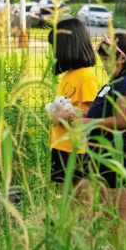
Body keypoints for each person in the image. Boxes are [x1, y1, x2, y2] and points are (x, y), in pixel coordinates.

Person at [54, 33, 126, 224]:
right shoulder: (115, 82)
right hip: (104, 154)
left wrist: (89, 123)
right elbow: (103, 112)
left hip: (116, 153)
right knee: (110, 213)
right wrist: (79, 114)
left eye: (107, 61)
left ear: (122, 58)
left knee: (118, 215)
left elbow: (122, 120)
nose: (104, 67)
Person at [47, 19, 103, 185]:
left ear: (66, 47)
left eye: (55, 48)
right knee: (67, 196)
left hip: (78, 147)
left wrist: (65, 114)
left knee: (81, 195)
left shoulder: (85, 76)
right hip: (61, 144)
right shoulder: (68, 76)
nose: (53, 53)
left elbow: (97, 112)